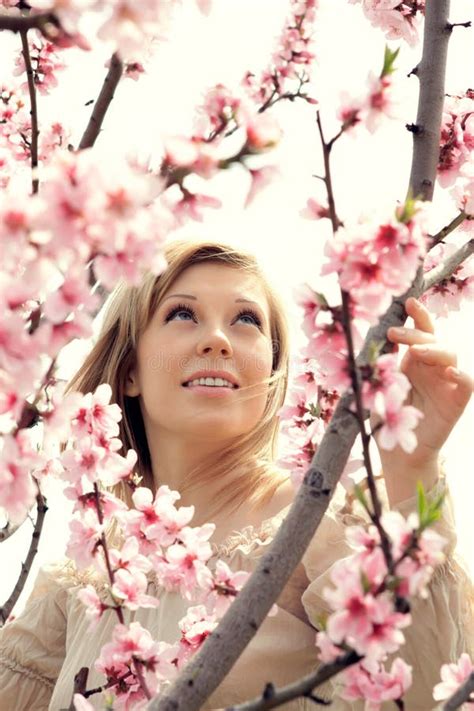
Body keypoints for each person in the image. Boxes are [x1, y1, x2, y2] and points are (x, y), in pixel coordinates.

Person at [0, 239, 472, 711]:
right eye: (182, 314)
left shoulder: (319, 521)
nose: (217, 340)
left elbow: (416, 692)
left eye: (246, 320)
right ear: (129, 372)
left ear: (270, 372)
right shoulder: (82, 582)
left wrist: (413, 467)